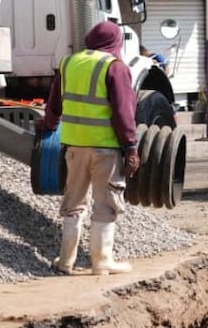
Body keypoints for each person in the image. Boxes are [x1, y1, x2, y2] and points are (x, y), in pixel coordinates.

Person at [36, 20, 140, 276]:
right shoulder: (115, 67)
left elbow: (54, 106)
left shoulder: (69, 63)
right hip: (106, 147)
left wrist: (47, 125)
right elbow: (123, 112)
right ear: (115, 43)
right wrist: (131, 147)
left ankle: (66, 261)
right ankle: (101, 261)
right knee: (106, 203)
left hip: (74, 146)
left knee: (74, 203)